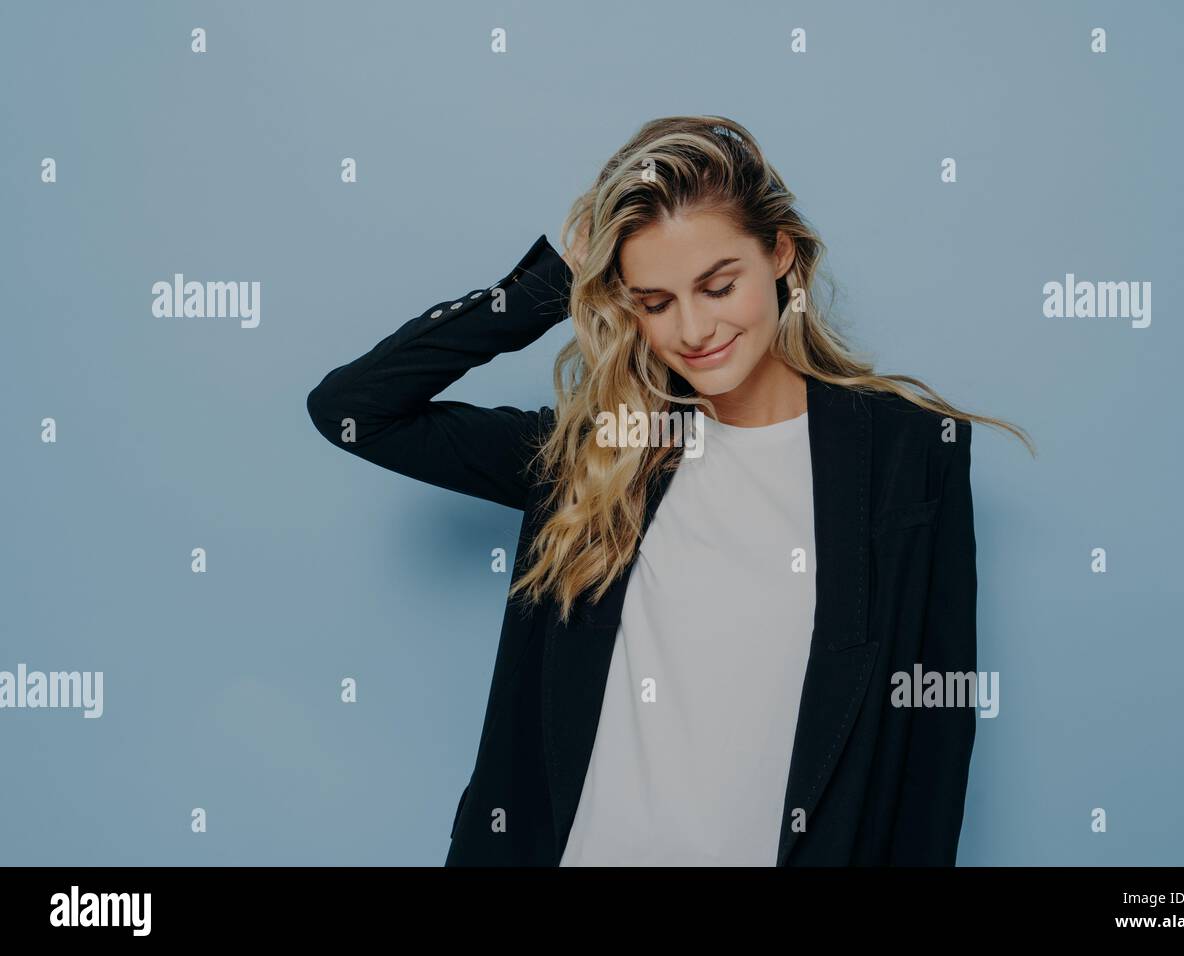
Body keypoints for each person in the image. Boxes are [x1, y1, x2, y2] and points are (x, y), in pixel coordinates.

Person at [307, 115, 1034, 866]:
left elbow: (932, 743)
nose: (693, 329)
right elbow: (355, 411)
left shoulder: (908, 455)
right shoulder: (597, 455)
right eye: (654, 302)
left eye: (719, 286)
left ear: (781, 254)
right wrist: (551, 283)